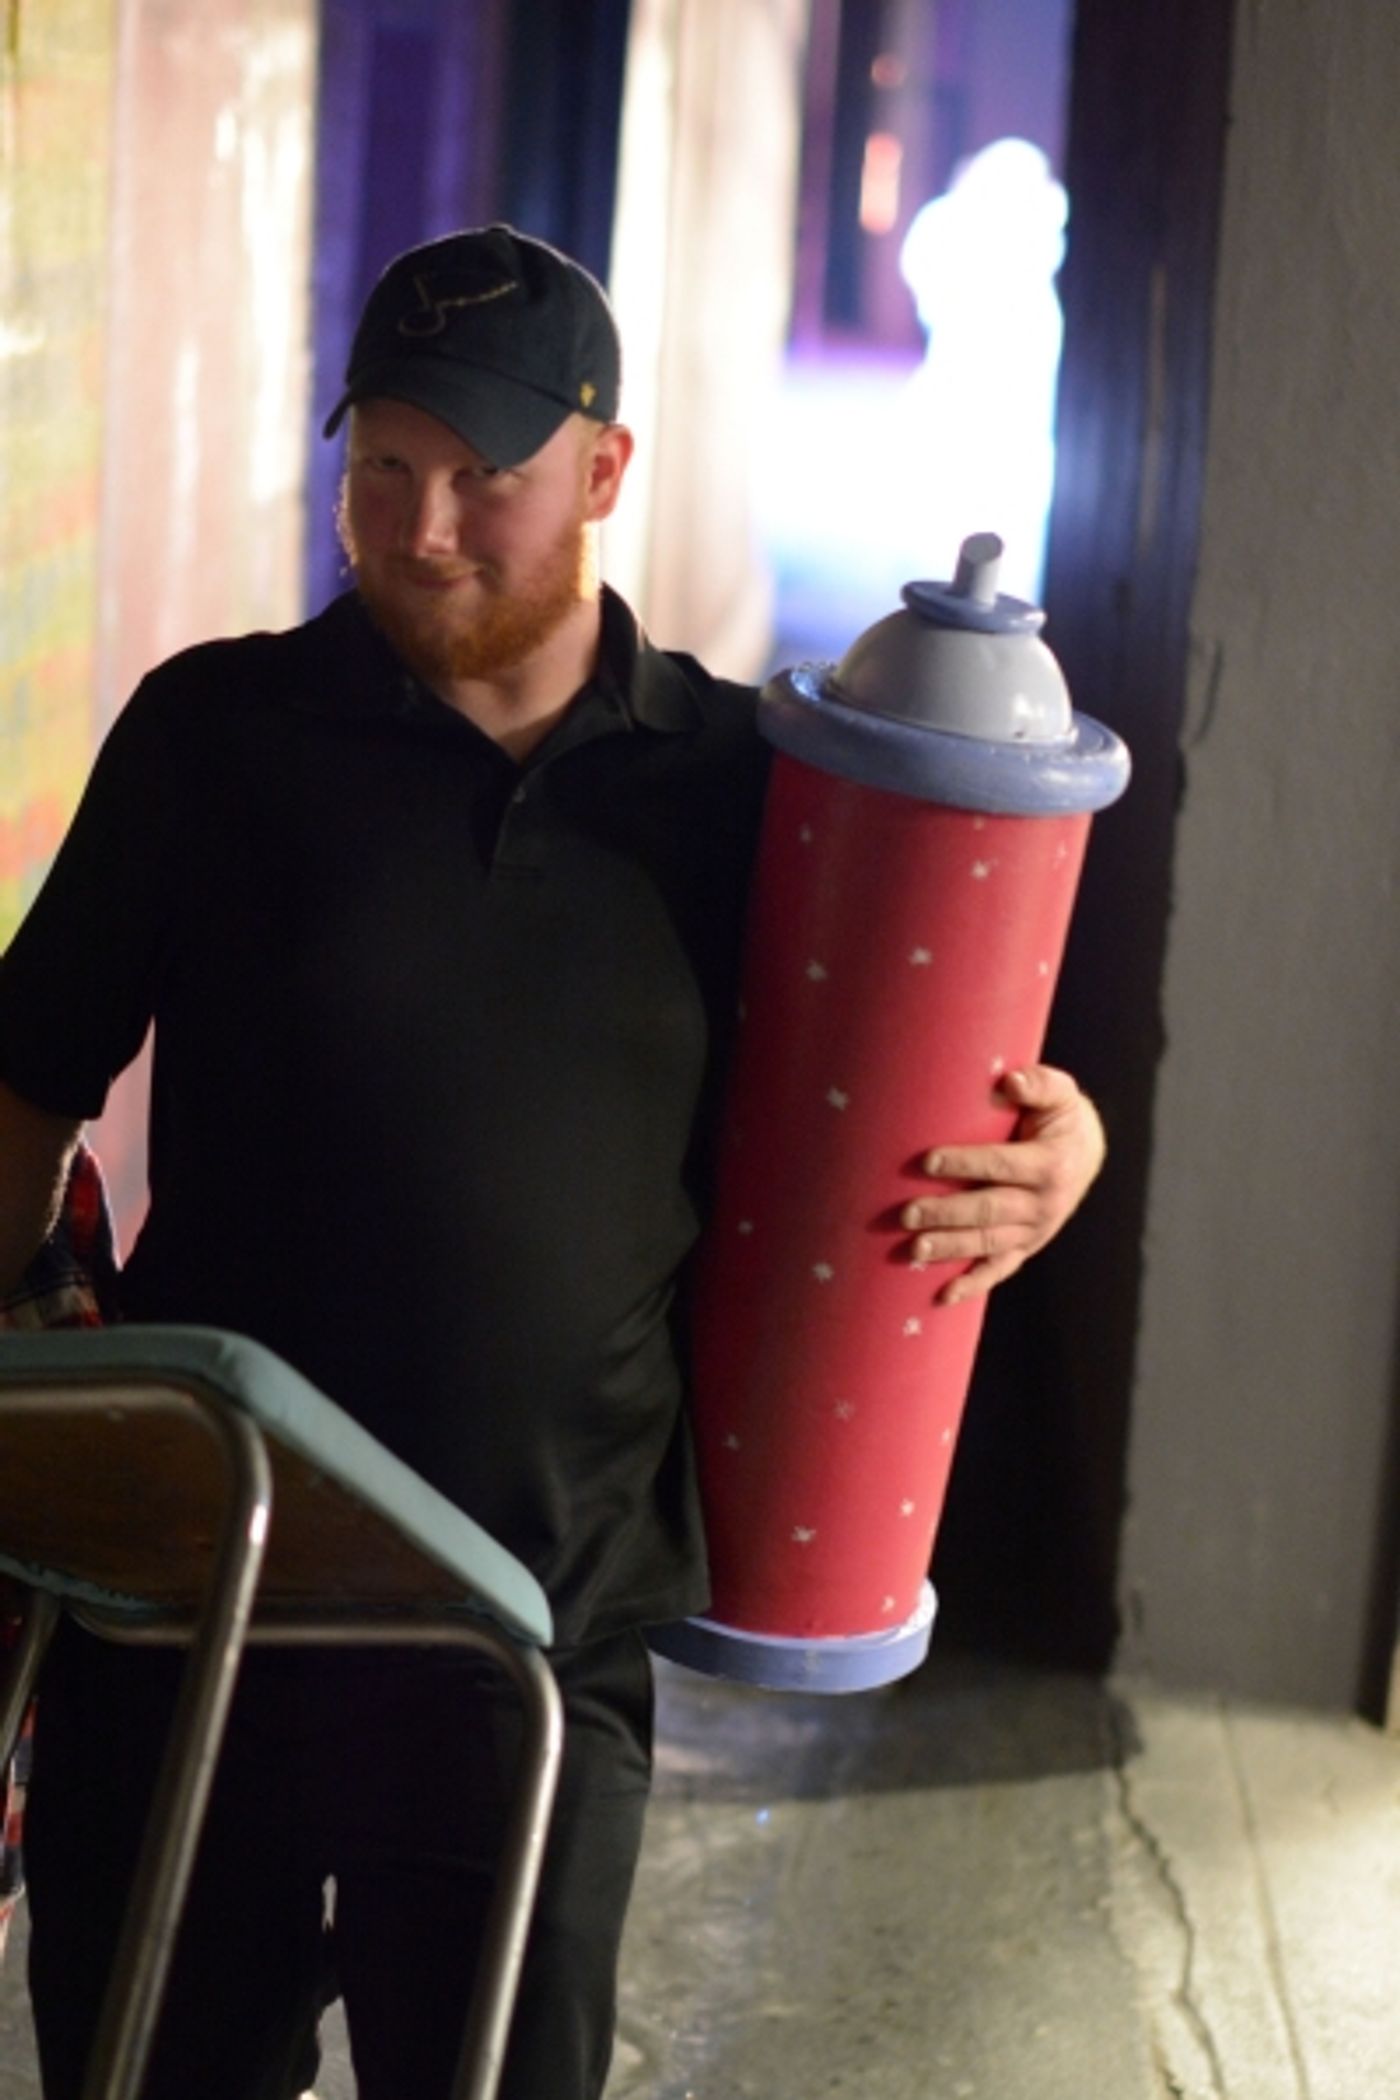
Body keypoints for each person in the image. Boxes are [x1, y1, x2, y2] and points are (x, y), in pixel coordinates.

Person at [0, 224, 1106, 2100]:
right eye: (381, 469)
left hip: (530, 1637)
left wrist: (1059, 1147)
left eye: (480, 479)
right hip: (201, 1609)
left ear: (599, 474)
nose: (420, 528)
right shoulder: (215, 732)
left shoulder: (748, 791)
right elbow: (23, 1085)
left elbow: (926, 1082)